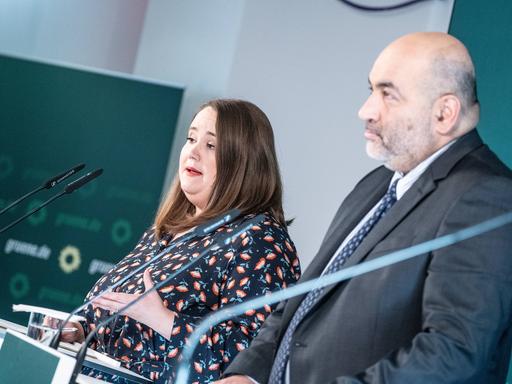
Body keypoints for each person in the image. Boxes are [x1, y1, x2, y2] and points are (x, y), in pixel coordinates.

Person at [218, 32, 512, 383]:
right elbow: (306, 298)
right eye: (371, 90)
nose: (366, 110)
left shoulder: (486, 196)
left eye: (388, 94)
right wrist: (249, 373)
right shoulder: (376, 183)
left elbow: (454, 352)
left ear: (444, 113)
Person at [63, 99, 301, 383]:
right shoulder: (164, 231)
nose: (193, 151)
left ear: (244, 161)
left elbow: (250, 365)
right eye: (191, 138)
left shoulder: (260, 241)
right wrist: (79, 328)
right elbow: (115, 317)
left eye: (211, 145)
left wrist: (165, 320)